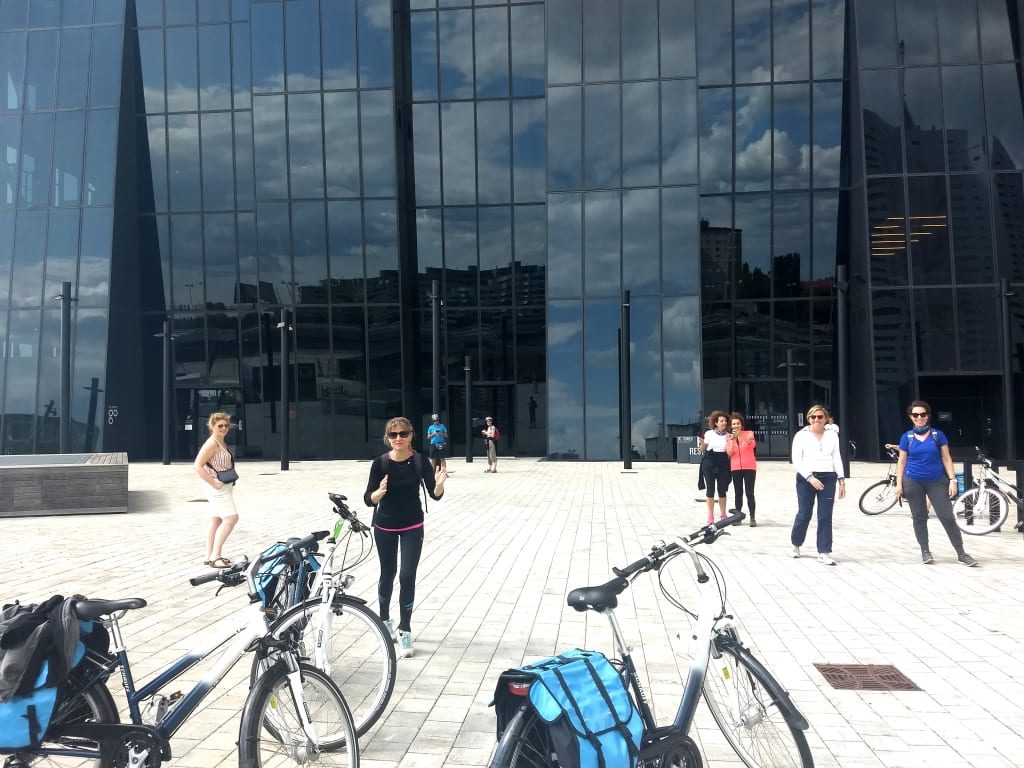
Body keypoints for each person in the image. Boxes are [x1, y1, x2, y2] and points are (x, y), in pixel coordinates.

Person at [364, 416, 447, 658]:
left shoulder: (420, 461)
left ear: (411, 435)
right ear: (387, 438)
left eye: (403, 434)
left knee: (407, 575)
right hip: (385, 527)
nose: (398, 438)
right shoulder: (380, 463)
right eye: (393, 435)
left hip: (412, 525)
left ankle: (405, 630)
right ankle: (384, 620)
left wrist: (440, 485)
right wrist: (378, 493)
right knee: (387, 574)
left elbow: (435, 494)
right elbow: (367, 498)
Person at [894, 401, 978, 566]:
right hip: (912, 481)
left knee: (947, 516)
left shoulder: (937, 435)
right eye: (915, 415)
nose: (919, 418)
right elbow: (901, 462)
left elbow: (946, 458)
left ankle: (961, 553)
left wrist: (953, 480)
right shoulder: (906, 437)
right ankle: (925, 551)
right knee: (919, 517)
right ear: (911, 417)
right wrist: (898, 485)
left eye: (923, 414)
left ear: (928, 416)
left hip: (937, 480)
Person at [790, 404, 845, 565]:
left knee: (825, 515)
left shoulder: (832, 435)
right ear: (808, 419)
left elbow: (836, 457)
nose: (816, 420)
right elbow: (797, 460)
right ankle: (796, 544)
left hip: (828, 477)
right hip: (807, 478)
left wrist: (841, 480)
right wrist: (809, 477)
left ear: (826, 419)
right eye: (813, 417)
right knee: (804, 513)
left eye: (820, 417)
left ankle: (824, 551)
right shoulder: (801, 435)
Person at [193, 412, 238, 568]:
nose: (224, 428)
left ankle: (209, 555)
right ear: (212, 426)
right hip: (217, 488)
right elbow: (197, 465)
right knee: (231, 519)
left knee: (216, 520)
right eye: (220, 426)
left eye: (226, 425)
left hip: (223, 486)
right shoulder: (212, 443)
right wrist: (213, 482)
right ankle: (215, 556)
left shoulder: (221, 443)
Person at [698, 411, 732, 524]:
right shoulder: (709, 434)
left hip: (723, 463)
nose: (724, 423)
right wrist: (702, 444)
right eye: (721, 421)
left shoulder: (729, 436)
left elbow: (730, 453)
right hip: (709, 462)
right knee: (710, 489)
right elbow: (703, 450)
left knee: (722, 489)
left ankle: (723, 514)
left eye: (725, 421)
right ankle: (710, 516)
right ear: (716, 423)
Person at [726, 412, 757, 526]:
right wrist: (733, 440)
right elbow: (729, 453)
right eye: (734, 424)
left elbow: (752, 444)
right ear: (731, 425)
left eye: (738, 423)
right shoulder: (728, 437)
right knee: (738, 493)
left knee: (750, 493)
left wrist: (740, 435)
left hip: (749, 467)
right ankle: (737, 518)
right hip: (736, 468)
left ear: (741, 424)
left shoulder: (749, 433)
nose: (736, 425)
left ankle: (752, 517)